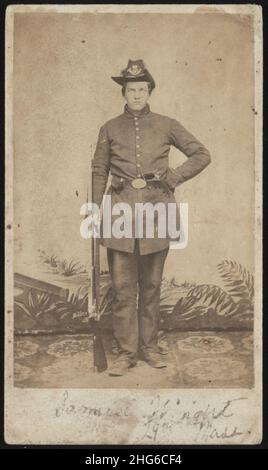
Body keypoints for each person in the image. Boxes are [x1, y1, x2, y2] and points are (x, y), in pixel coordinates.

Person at [92, 59, 211, 376]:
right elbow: (98, 170)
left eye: (142, 89)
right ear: (124, 92)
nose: (137, 95)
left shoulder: (167, 123)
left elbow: (201, 154)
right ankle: (125, 352)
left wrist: (173, 178)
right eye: (131, 89)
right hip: (118, 212)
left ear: (149, 91)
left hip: (158, 212)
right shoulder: (109, 128)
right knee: (122, 288)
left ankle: (150, 347)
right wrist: (94, 211)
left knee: (152, 285)